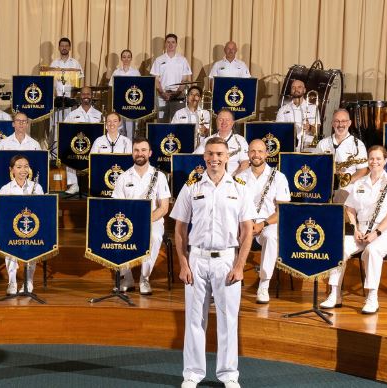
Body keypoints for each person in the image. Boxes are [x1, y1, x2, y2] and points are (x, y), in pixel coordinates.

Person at [172, 137, 255, 388]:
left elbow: (248, 230)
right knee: (195, 320)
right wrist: (184, 264)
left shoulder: (240, 187)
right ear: (204, 156)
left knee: (228, 319)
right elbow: (179, 229)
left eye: (219, 153)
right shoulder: (192, 187)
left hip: (227, 260)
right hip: (197, 259)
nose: (214, 158)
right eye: (210, 154)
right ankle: (192, 374)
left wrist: (240, 265)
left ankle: (229, 375)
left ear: (228, 156)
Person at [321, 146, 387, 314]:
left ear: (385, 161)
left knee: (372, 250)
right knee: (340, 247)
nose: (374, 162)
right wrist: (355, 229)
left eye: (378, 159)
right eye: (371, 158)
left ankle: (372, 297)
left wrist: (377, 233)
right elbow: (349, 209)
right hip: (362, 231)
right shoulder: (359, 183)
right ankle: (334, 294)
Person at [111, 138, 170, 295]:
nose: (140, 153)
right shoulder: (123, 177)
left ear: (149, 153)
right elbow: (116, 205)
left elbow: (164, 207)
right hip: (128, 220)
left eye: (144, 150)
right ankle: (127, 278)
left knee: (155, 236)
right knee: (116, 234)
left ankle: (144, 278)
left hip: (153, 220)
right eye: (136, 150)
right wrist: (129, 222)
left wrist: (146, 221)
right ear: (132, 153)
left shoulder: (160, 176)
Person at [236, 139, 291, 304]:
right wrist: (245, 224)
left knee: (270, 237)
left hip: (268, 223)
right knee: (227, 234)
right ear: (247, 154)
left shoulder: (279, 177)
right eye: (252, 151)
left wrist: (262, 224)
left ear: (267, 154)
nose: (256, 155)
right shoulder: (239, 177)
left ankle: (264, 284)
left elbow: (283, 210)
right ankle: (230, 281)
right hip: (244, 223)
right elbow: (233, 206)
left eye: (260, 151)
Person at [0, 153, 44, 295]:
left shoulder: (37, 187)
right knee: (8, 245)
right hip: (11, 229)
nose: (23, 170)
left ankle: (28, 282)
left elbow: (43, 210)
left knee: (34, 245)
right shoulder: (5, 189)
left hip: (32, 228)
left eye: (26, 167)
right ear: (11, 170)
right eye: (19, 167)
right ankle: (12, 282)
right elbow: (2, 213)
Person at [317, 109, 369, 202]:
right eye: (337, 121)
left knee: (339, 198)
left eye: (344, 121)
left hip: (347, 187)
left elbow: (363, 170)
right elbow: (315, 165)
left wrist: (345, 182)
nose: (340, 124)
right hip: (325, 184)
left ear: (349, 123)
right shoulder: (322, 143)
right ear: (332, 123)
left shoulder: (358, 145)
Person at [60, 86, 102, 194]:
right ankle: (73, 185)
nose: (86, 96)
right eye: (83, 94)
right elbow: (65, 131)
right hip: (77, 146)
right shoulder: (72, 115)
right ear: (80, 96)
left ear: (92, 96)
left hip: (94, 146)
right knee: (68, 153)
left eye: (88, 94)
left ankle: (94, 185)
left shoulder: (99, 115)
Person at [152, 34, 193, 119]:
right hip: (162, 97)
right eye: (168, 42)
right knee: (162, 123)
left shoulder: (182, 60)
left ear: (176, 44)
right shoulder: (159, 60)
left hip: (178, 97)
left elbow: (185, 80)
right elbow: (155, 80)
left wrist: (176, 93)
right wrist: (163, 94)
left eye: (173, 42)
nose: (170, 45)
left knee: (177, 123)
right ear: (165, 44)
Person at [195, 109, 247, 174]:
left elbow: (245, 164)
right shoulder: (207, 140)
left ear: (232, 123)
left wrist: (233, 178)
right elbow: (195, 158)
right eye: (221, 120)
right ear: (216, 122)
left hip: (233, 180)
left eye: (227, 120)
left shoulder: (240, 140)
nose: (224, 122)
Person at [276, 79, 319, 152]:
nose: (296, 89)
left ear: (304, 90)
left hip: (308, 146)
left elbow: (317, 131)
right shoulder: (283, 109)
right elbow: (278, 130)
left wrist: (309, 128)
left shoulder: (313, 108)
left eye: (299, 87)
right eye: (293, 87)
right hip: (288, 145)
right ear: (291, 90)